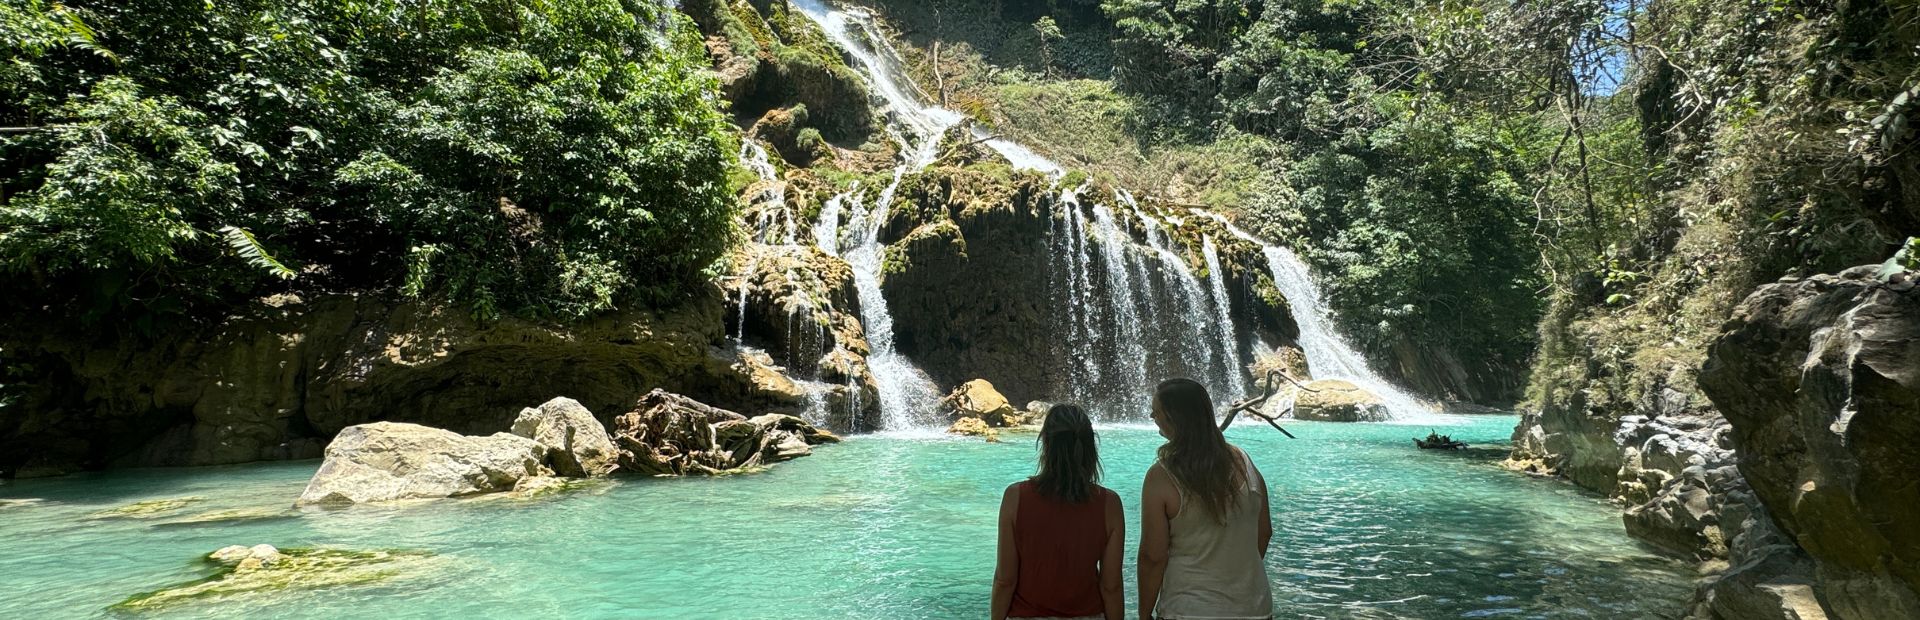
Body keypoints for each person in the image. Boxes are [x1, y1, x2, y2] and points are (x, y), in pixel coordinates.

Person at [1137, 379, 1274, 620]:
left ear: (1173, 416)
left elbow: (1153, 556)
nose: (1151, 416)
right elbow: (1264, 533)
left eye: (1155, 411)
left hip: (1188, 610)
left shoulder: (1161, 476)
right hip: (1254, 608)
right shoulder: (1245, 461)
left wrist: (1144, 612)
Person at [991, 404, 1125, 620]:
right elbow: (1112, 586)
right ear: (1090, 447)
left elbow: (1005, 580)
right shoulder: (1109, 504)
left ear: (1046, 444)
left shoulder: (1015, 497)